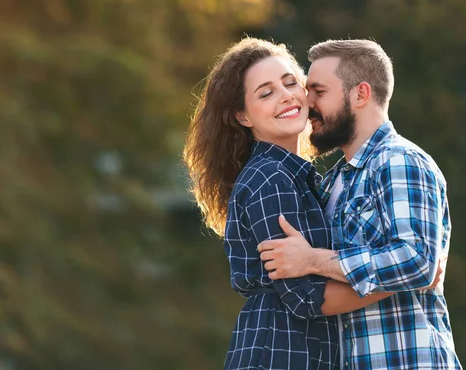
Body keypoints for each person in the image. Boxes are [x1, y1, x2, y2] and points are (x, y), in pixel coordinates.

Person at [183, 37, 397, 370]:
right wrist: (402, 280)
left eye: (290, 83)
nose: (285, 96)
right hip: (280, 353)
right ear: (243, 116)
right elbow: (307, 297)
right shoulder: (270, 179)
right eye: (266, 93)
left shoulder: (296, 176)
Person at [258, 39, 462, 369]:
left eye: (319, 92)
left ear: (361, 94)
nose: (307, 104)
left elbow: (419, 260)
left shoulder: (400, 162)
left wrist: (313, 259)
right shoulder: (334, 181)